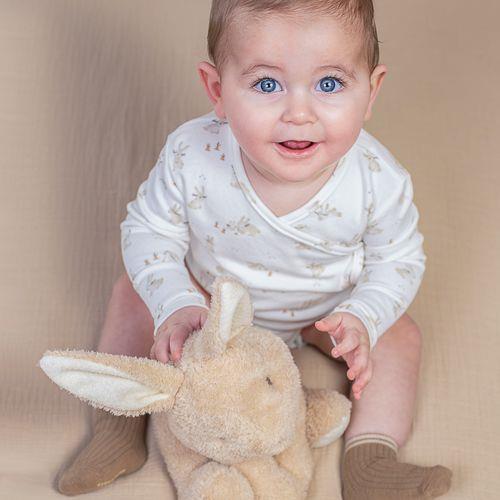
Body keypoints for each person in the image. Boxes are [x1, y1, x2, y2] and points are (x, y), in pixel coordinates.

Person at [57, 1, 453, 498]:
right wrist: (175, 303)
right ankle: (117, 430)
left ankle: (370, 459)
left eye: (329, 84)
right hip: (210, 309)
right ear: (217, 91)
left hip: (326, 312)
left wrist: (364, 317)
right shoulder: (192, 154)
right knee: (130, 295)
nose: (299, 113)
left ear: (370, 92)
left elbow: (399, 260)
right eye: (267, 85)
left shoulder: (378, 179)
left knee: (400, 336)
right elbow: (148, 230)